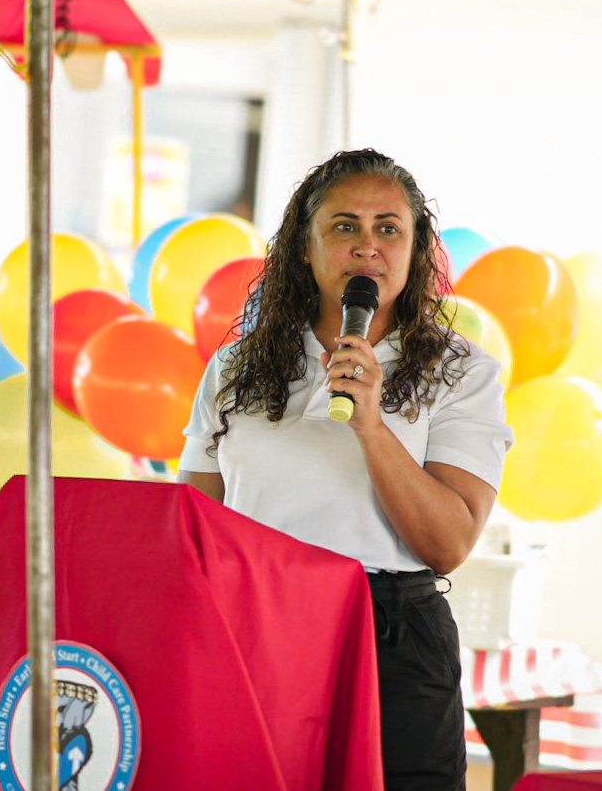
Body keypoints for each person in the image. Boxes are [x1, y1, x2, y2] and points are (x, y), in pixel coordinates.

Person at [178, 148, 513, 790]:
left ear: (415, 252)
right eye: (344, 227)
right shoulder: (235, 368)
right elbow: (194, 528)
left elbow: (449, 543)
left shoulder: (462, 372)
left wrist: (371, 425)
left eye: (389, 228)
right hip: (255, 632)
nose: (368, 247)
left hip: (390, 638)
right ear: (304, 248)